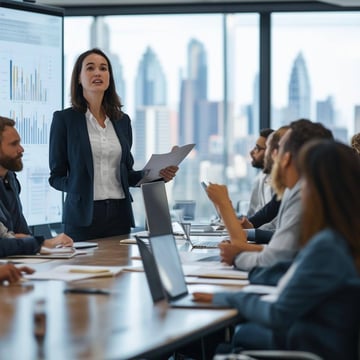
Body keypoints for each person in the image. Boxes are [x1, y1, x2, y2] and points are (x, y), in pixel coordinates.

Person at [193, 140, 360, 359]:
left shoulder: (328, 245)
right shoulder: (344, 236)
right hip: (319, 340)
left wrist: (228, 298)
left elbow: (277, 314)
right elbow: (295, 270)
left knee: (221, 341)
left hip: (306, 347)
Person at [49, 48, 178, 241]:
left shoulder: (121, 120)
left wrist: (157, 175)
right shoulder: (65, 119)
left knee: (118, 270)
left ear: (109, 77)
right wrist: (78, 185)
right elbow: (56, 177)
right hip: (82, 217)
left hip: (119, 215)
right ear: (79, 78)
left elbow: (127, 174)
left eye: (103, 68)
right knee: (83, 271)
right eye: (90, 68)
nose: (98, 73)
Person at [207, 119, 333, 271]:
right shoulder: (312, 190)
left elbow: (272, 260)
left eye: (277, 148)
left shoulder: (304, 195)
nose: (272, 154)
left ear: (286, 158)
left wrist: (224, 205)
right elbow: (287, 253)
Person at [0, 116, 73, 258]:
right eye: (14, 144)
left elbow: (21, 232)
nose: (21, 149)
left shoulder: (10, 179)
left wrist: (29, 242)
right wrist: (39, 243)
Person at [246, 128, 274, 217]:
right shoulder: (262, 176)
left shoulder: (281, 182)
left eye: (257, 148)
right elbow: (254, 213)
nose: (251, 152)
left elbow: (273, 222)